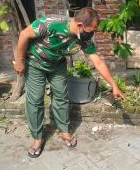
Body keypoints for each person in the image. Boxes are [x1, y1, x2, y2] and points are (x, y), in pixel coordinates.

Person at [14, 7, 124, 158]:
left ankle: (64, 131)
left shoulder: (83, 39)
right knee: (35, 100)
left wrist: (114, 85)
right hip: (35, 63)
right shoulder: (50, 24)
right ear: (80, 26)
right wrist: (19, 61)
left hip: (57, 65)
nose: (92, 34)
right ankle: (38, 138)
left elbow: (97, 62)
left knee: (61, 96)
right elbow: (24, 35)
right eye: (91, 30)